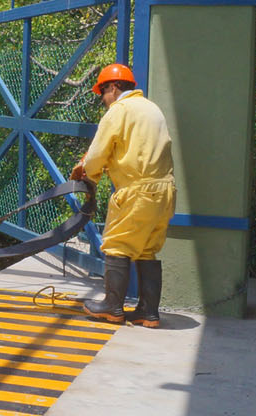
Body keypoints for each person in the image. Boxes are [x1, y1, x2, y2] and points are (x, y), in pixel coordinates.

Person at [69, 63, 176, 328]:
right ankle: (148, 312)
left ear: (114, 88)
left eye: (103, 93)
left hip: (137, 191)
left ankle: (112, 307)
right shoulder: (152, 108)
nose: (103, 100)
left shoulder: (120, 110)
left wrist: (86, 173)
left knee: (117, 245)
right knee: (147, 249)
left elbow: (97, 154)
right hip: (165, 191)